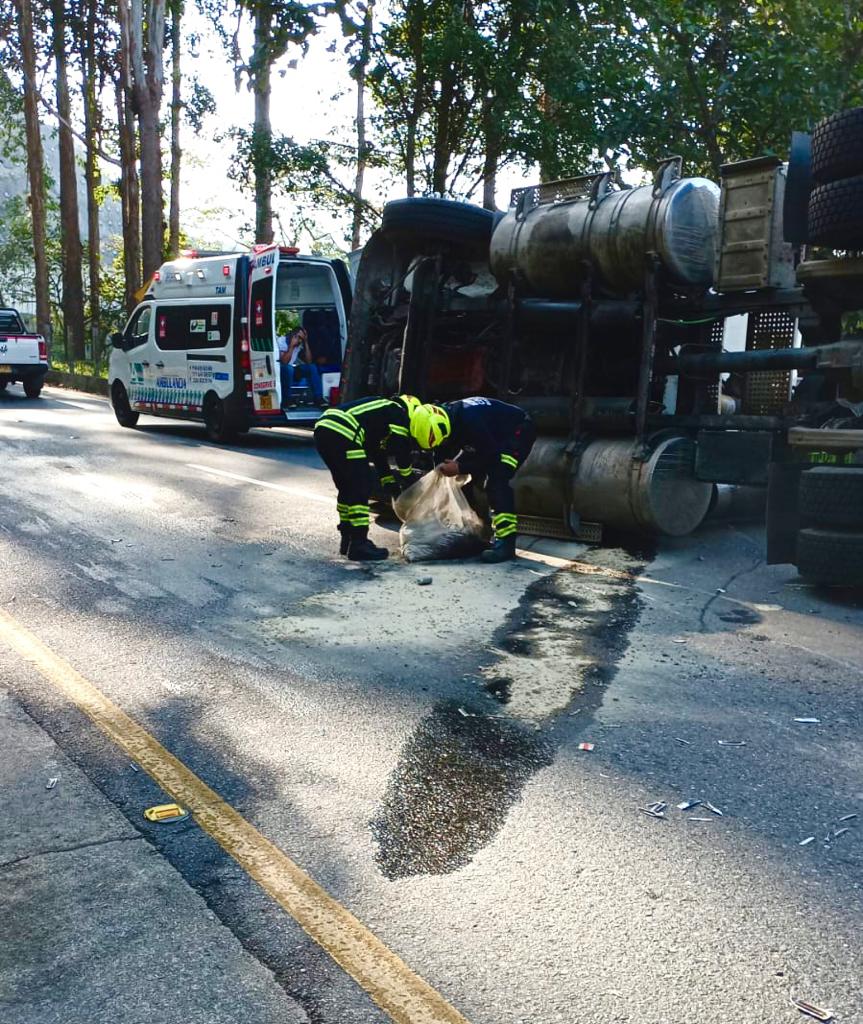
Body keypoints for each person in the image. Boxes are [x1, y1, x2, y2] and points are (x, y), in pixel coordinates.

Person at [410, 397, 536, 563]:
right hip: (491, 437)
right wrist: (439, 475)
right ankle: (477, 532)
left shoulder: (470, 419)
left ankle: (506, 544)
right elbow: (441, 452)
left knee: (497, 480)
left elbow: (490, 457)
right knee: (465, 484)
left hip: (516, 432)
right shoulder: (446, 418)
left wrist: (460, 467)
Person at [313, 394, 418, 561]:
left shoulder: (378, 413)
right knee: (360, 486)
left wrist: (387, 480)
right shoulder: (397, 411)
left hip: (323, 429)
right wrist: (408, 477)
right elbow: (401, 445)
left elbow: (376, 452)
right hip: (344, 431)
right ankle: (359, 544)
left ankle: (347, 538)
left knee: (346, 487)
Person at [278, 327, 324, 407]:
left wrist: (305, 342)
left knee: (312, 367)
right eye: (298, 337)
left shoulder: (299, 344)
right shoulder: (282, 341)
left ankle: (318, 398)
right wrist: (291, 346)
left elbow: (309, 361)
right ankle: (287, 400)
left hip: (292, 370)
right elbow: (284, 362)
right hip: (281, 369)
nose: (299, 341)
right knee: (288, 368)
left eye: (301, 339)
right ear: (292, 335)